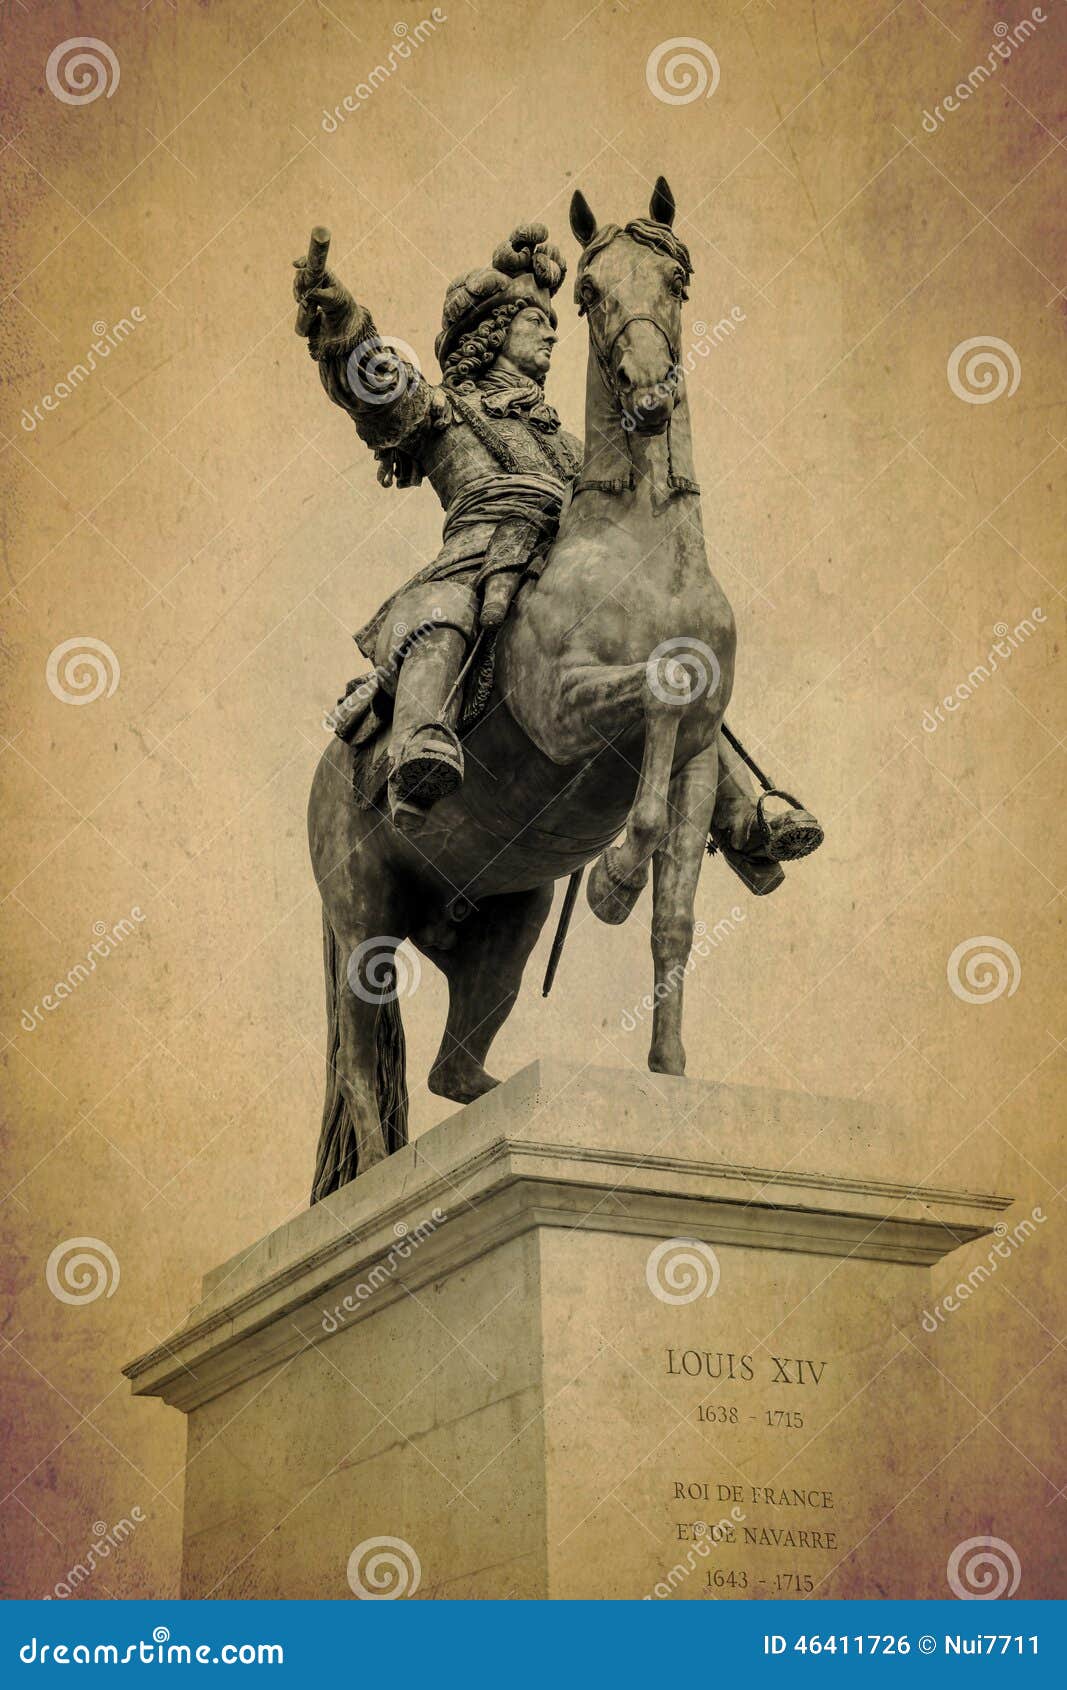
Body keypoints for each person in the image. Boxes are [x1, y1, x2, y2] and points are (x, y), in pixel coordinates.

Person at [294, 223, 822, 890]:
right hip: (480, 554)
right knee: (438, 613)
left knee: (661, 645)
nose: (550, 335)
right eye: (534, 323)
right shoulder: (445, 410)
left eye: (551, 323)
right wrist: (341, 320)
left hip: (573, 564)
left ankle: (742, 811)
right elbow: (375, 385)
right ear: (491, 335)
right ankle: (421, 742)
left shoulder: (574, 444)